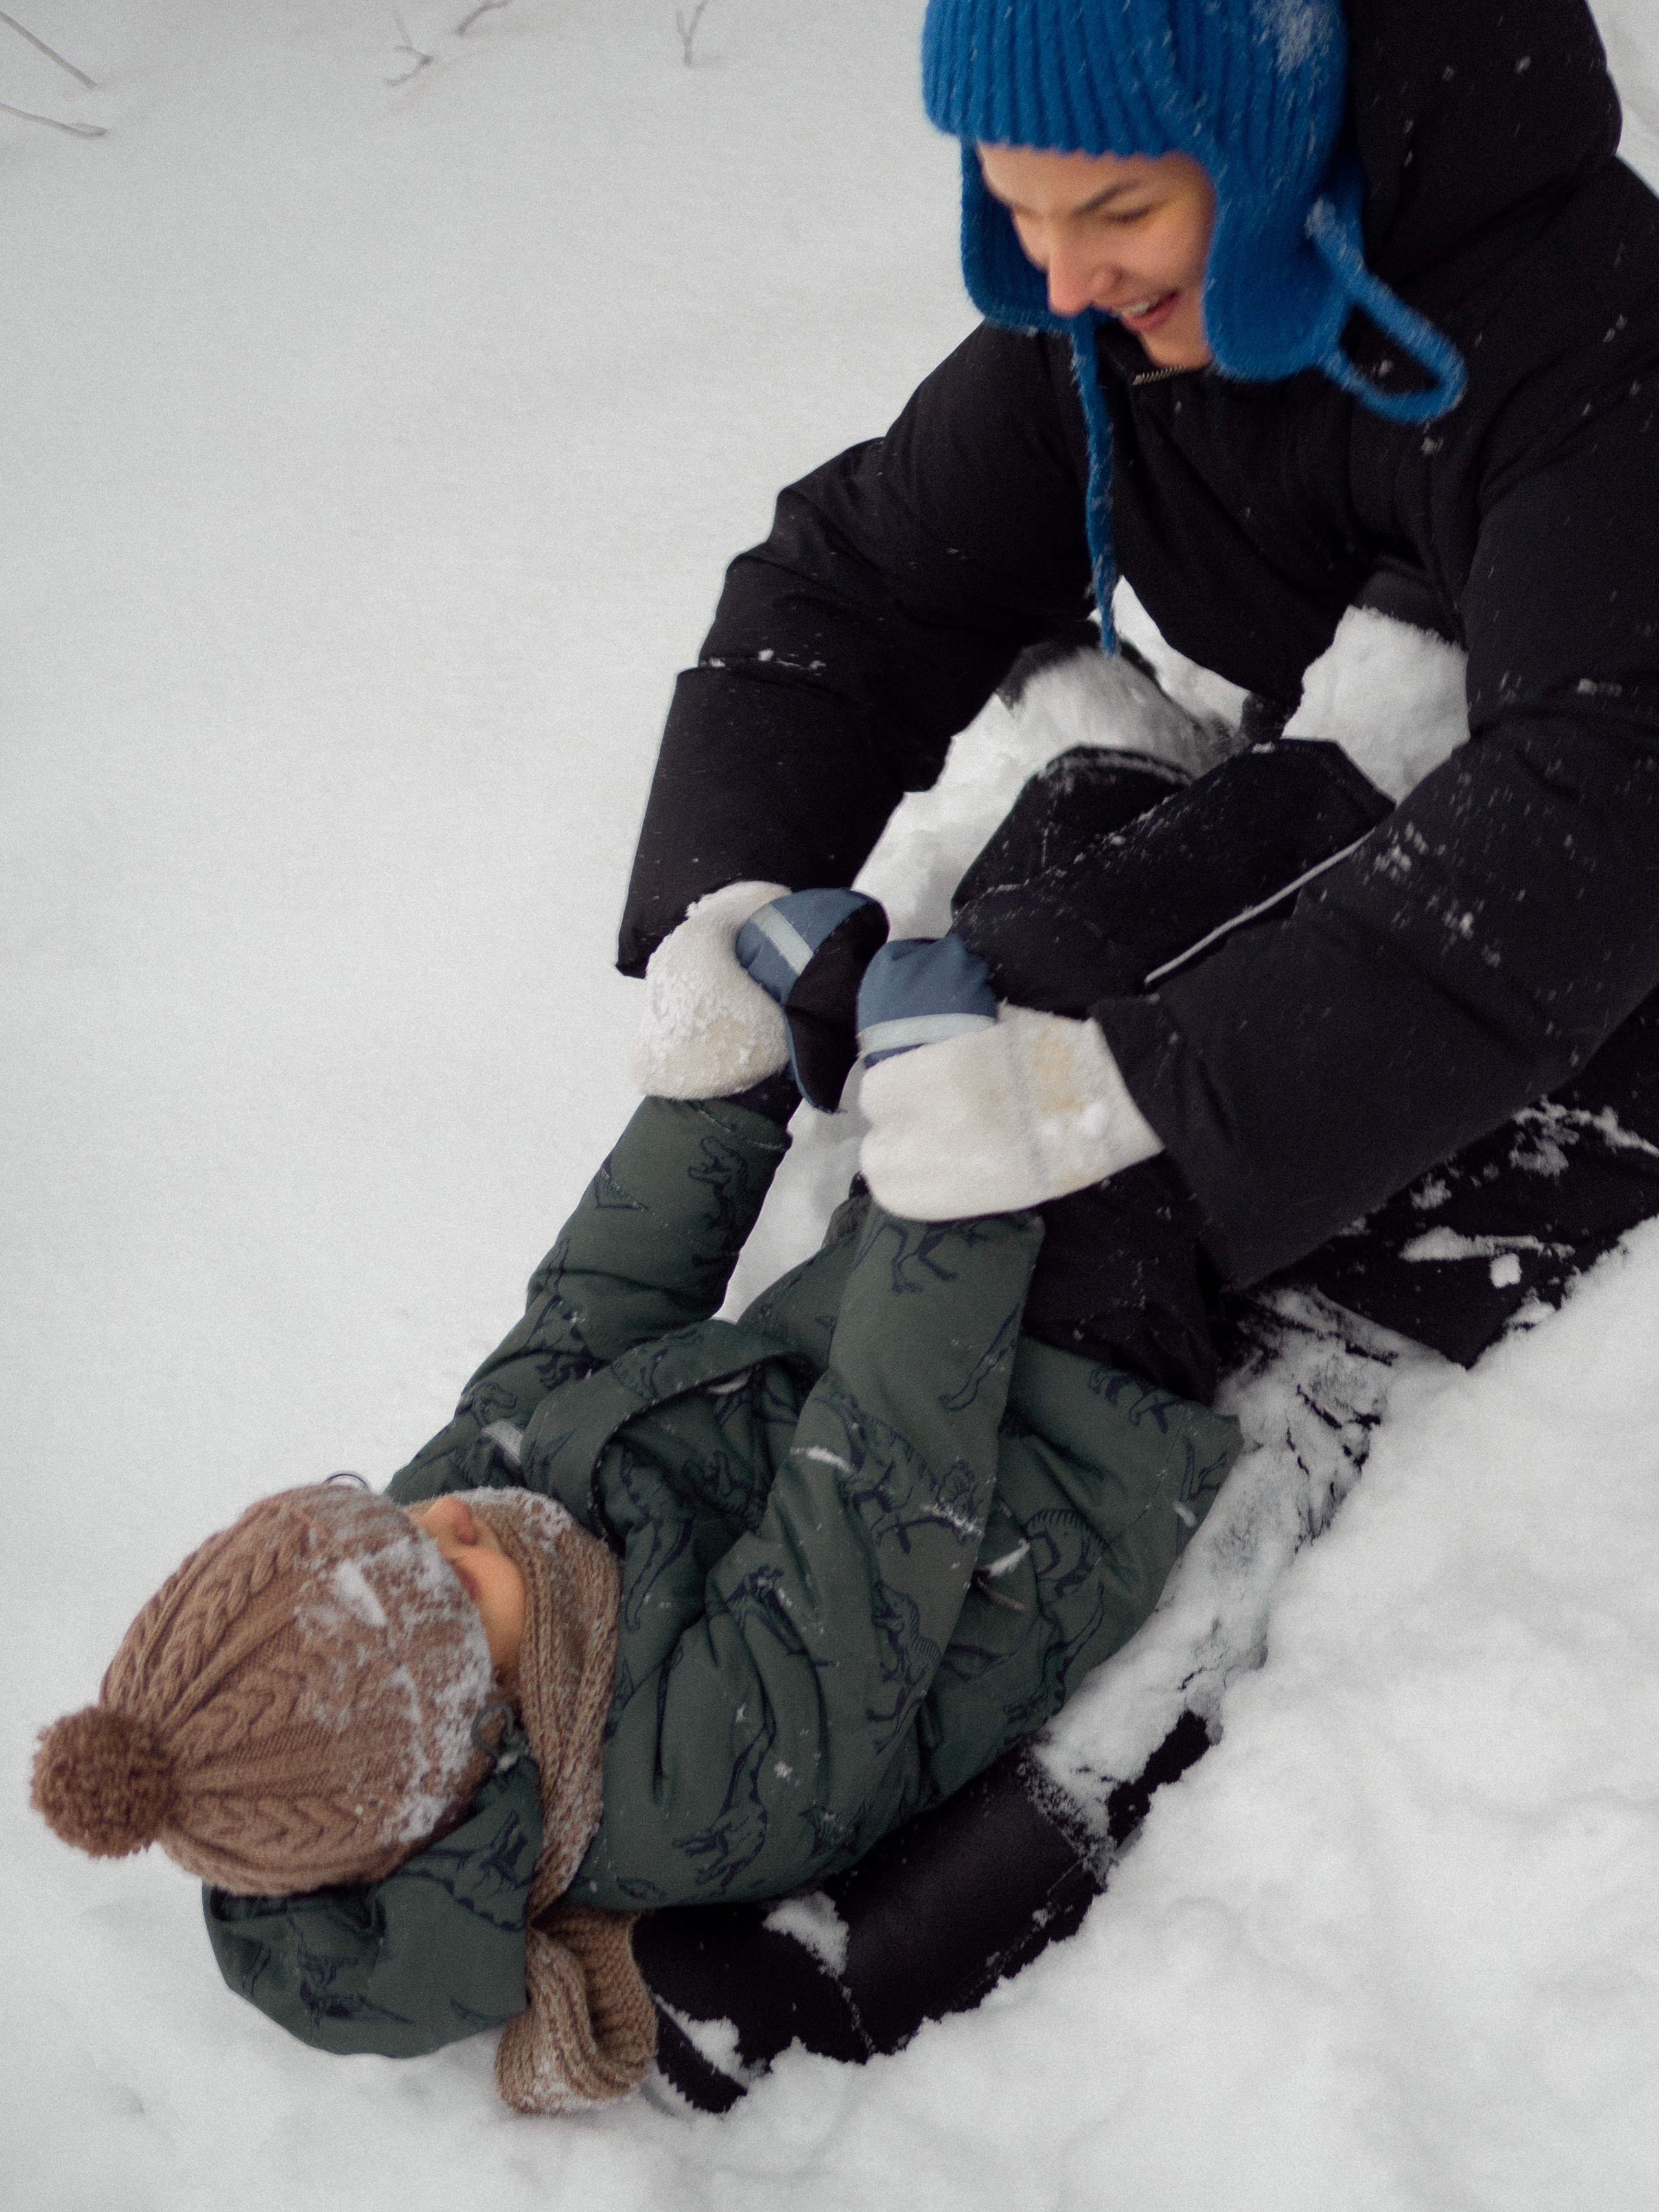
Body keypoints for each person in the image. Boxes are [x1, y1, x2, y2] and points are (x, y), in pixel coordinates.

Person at [29, 887, 1246, 2117]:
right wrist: (955, 1167)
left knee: (1021, 916)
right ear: (466, 1732)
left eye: (386, 1529)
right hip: (1065, 1430)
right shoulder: (677, 1782)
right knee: (1090, 974)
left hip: (904, 1306)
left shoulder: (455, 1564)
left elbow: (583, 1315)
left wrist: (725, 1083)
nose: (449, 1517)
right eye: (440, 1575)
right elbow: (887, 1486)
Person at [621, 0, 1659, 1371]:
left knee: (1174, 1246)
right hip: (1397, 806)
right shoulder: (1114, 329)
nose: (1060, 280)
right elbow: (866, 576)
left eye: (1116, 211)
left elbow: (1597, 811)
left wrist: (1150, 1090)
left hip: (1592, 936)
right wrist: (724, 880)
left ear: (1273, 141)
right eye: (1020, 209)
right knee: (1028, 961)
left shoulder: (1594, 348)